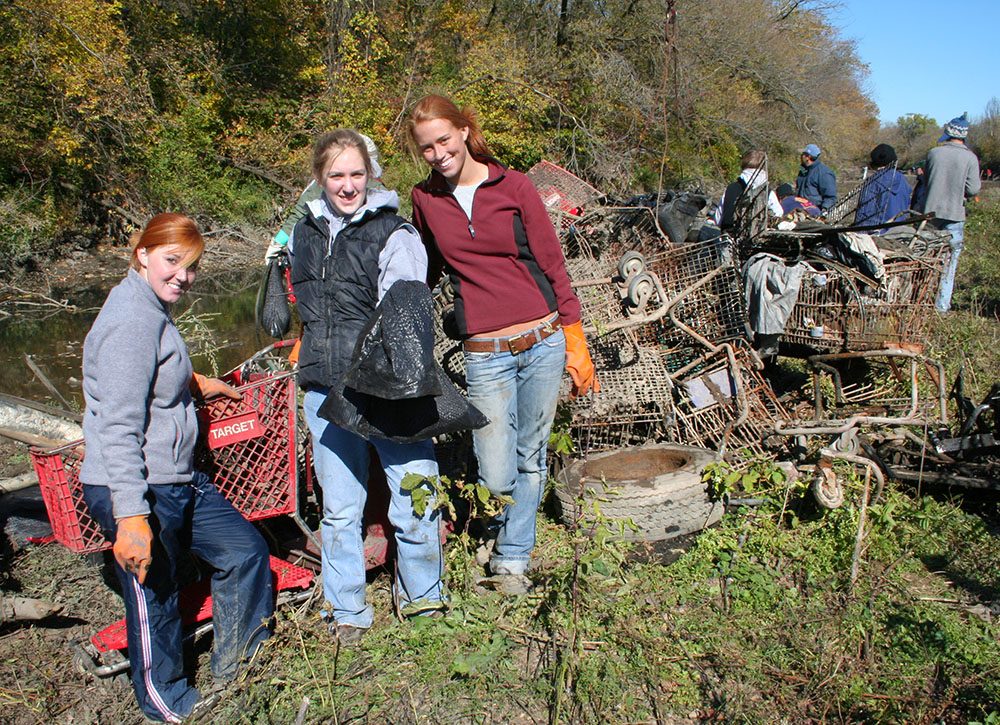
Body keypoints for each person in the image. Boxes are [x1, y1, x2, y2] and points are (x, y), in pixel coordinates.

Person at [80, 213, 274, 723]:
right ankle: (167, 703)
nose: (182, 277)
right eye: (172, 261)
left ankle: (239, 664)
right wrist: (131, 517)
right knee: (155, 594)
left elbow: (152, 377)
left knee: (245, 551)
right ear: (142, 254)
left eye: (190, 267)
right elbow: (118, 428)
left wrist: (194, 382)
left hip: (179, 478)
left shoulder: (151, 310)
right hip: (138, 484)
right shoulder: (130, 320)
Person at [407, 95, 598, 594]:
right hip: (485, 353)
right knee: (495, 469)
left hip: (542, 341)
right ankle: (500, 525)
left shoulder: (513, 186)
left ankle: (513, 558)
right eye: (426, 147)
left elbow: (552, 262)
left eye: (444, 140)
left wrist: (574, 337)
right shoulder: (425, 200)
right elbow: (424, 272)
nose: (437, 153)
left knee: (530, 456)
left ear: (465, 131)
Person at [288, 129, 447, 644]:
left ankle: (423, 599)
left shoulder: (394, 233)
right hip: (323, 390)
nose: (348, 185)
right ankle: (348, 610)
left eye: (357, 173)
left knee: (416, 493)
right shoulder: (304, 232)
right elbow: (309, 309)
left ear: (372, 174)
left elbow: (405, 312)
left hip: (386, 388)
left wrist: (400, 377)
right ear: (320, 177)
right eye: (336, 174)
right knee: (338, 510)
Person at [924, 113, 981, 311]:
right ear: (964, 136)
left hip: (929, 214)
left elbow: (926, 181)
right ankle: (941, 306)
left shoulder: (933, 153)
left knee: (927, 258)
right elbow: (973, 189)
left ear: (947, 133)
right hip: (955, 214)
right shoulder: (970, 158)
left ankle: (919, 300)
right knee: (950, 262)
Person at [711, 150, 783, 231]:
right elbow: (778, 213)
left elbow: (718, 219)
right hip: (758, 237)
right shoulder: (767, 192)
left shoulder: (731, 188)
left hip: (729, 237)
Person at [854, 143, 912, 231]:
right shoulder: (903, 180)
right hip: (900, 229)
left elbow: (864, 213)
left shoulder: (873, 182)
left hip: (878, 232)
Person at [795, 143, 837, 213]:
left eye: (803, 154)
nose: (801, 156)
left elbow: (831, 198)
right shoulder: (803, 171)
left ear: (808, 157)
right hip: (800, 211)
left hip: (814, 213)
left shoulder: (824, 173)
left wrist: (824, 211)